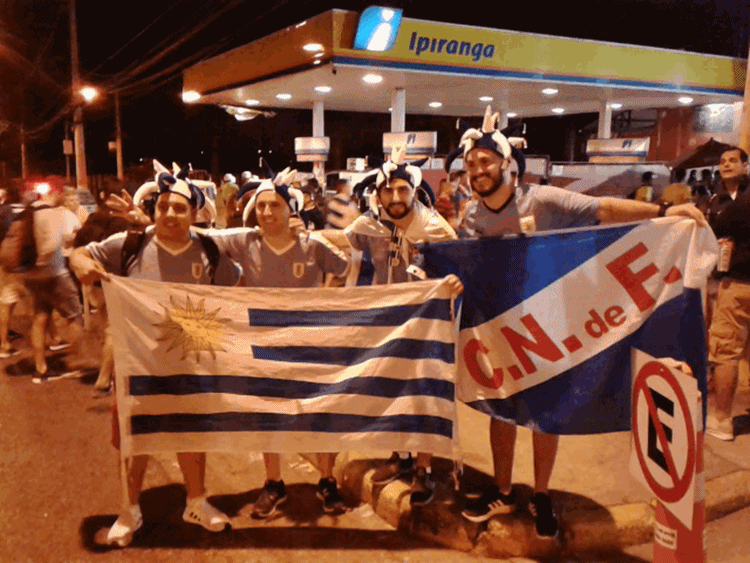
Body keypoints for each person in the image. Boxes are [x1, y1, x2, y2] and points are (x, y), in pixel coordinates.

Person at [450, 105, 706, 538]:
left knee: (545, 413)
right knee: (502, 411)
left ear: (506, 163)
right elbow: (467, 264)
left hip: (550, 324)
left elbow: (601, 208)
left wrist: (664, 212)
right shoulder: (472, 216)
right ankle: (503, 490)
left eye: (485, 161)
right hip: (498, 327)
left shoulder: (541, 199)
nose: (477, 170)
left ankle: (542, 495)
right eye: (471, 164)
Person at [69, 163, 240, 547]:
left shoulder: (209, 250)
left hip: (191, 363)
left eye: (179, 208)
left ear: (194, 214)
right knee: (134, 440)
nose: (170, 214)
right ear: (154, 209)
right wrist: (84, 265)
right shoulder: (129, 245)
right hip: (138, 364)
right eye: (163, 206)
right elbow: (79, 254)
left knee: (191, 434)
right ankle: (129, 510)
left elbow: (235, 290)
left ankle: (195, 502)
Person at [322, 146, 463, 506]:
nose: (396, 197)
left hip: (425, 326)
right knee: (392, 391)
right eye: (389, 190)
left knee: (422, 394)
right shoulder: (368, 226)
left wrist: (453, 282)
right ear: (379, 193)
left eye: (403, 189)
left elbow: (460, 266)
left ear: (414, 191)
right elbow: (340, 244)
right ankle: (399, 457)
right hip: (385, 325)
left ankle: (423, 468)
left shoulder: (434, 228)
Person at [208, 170, 351, 518]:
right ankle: (274, 483)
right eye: (261, 206)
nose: (267, 212)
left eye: (275, 205)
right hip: (265, 344)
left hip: (310, 344)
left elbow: (345, 267)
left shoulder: (311, 244)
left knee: (321, 413)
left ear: (291, 210)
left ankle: (327, 480)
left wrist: (325, 297)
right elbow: (201, 237)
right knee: (268, 416)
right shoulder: (245, 241)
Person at [705, 147, 750, 440]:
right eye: (722, 161)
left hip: (738, 284)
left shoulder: (740, 202)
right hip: (725, 278)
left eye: (733, 160)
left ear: (745, 165)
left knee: (725, 350)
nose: (726, 165)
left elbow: (713, 229)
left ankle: (721, 419)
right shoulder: (716, 199)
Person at [22, 184, 83, 382]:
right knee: (75, 316)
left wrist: (34, 264)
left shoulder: (31, 211)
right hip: (54, 274)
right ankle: (77, 363)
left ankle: (40, 368)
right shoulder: (53, 213)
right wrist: (44, 260)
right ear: (55, 193)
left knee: (40, 318)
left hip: (32, 275)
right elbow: (54, 244)